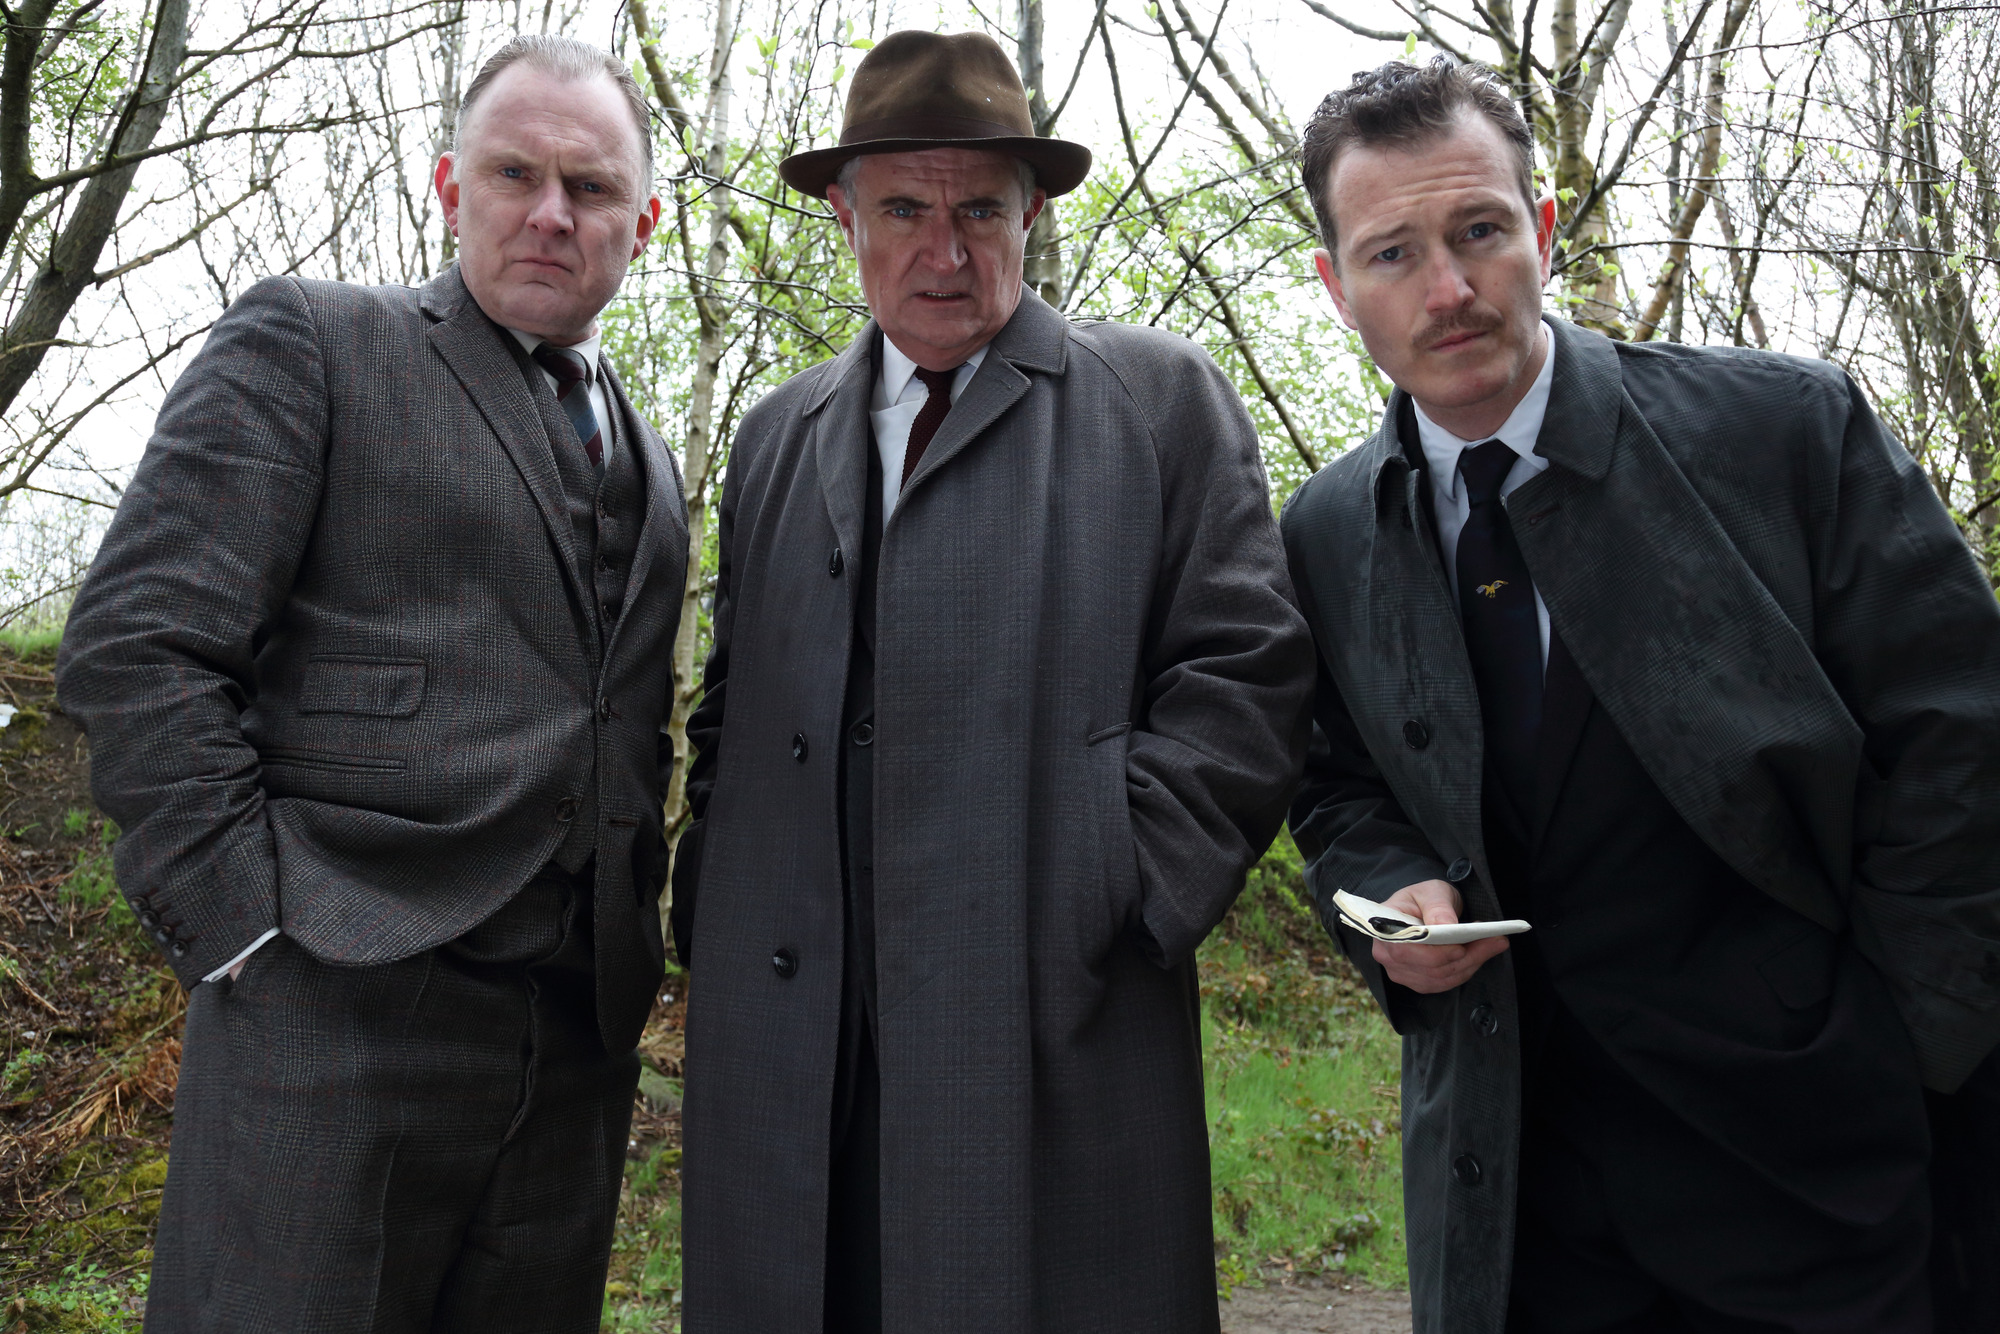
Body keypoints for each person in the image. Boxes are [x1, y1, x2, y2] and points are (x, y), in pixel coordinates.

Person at [1281, 57, 2000, 1334]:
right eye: (1392, 253)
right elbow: (1336, 785)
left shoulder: (1787, 431)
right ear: (1336, 287)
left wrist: (1903, 1049)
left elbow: (1960, 739)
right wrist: (1388, 887)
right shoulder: (1323, 531)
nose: (1447, 290)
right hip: (1514, 1203)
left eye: (1479, 231)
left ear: (1543, 229)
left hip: (1821, 1175)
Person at [669, 29, 1314, 1334]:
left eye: (979, 210)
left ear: (1031, 215)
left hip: (1046, 1015)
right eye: (904, 210)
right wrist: (710, 904)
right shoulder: (778, 432)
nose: (944, 252)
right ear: (845, 216)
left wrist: (1107, 886)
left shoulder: (1158, 399)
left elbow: (1246, 676)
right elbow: (733, 702)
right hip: (793, 1031)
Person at [55, 35, 685, 1334]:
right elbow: (139, 641)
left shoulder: (654, 459)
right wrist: (249, 930)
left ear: (643, 222)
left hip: (573, 1048)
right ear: (450, 187)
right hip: (333, 1008)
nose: (551, 213)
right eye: (514, 174)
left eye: (590, 187)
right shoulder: (316, 340)